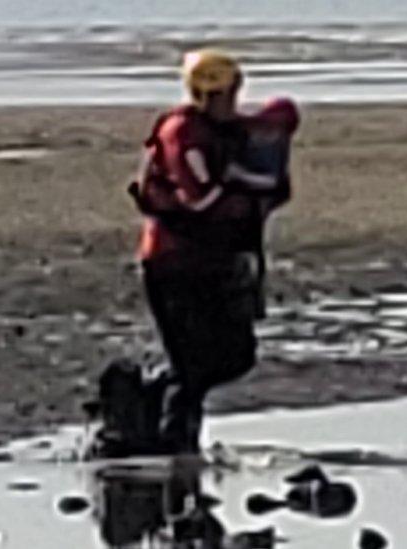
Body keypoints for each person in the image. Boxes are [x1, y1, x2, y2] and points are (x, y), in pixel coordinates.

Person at [121, 49, 296, 455]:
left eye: (233, 92)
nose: (230, 101)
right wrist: (251, 198)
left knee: (235, 356)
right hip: (173, 262)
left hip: (220, 261)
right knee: (192, 367)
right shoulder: (182, 134)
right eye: (222, 93)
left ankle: (156, 407)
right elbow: (200, 199)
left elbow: (277, 122)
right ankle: (174, 448)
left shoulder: (230, 130)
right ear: (202, 94)